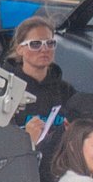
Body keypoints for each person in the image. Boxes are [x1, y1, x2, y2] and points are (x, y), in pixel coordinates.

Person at [5, 16, 77, 147]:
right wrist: (27, 139)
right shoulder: (6, 88)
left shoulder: (66, 91)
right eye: (35, 44)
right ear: (20, 49)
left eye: (50, 43)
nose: (44, 49)